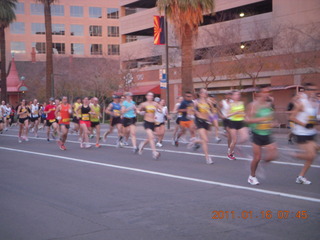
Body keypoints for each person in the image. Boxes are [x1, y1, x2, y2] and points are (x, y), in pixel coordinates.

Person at [246, 86, 278, 185]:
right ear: (259, 93)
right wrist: (260, 120)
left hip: (267, 133)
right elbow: (247, 120)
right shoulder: (253, 105)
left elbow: (271, 119)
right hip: (257, 133)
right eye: (265, 92)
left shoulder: (269, 105)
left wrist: (273, 123)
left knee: (273, 155)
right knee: (257, 158)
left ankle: (260, 165)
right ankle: (252, 176)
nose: (267, 94)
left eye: (269, 92)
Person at [289, 83, 319, 185]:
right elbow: (292, 117)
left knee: (312, 156)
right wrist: (304, 124)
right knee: (311, 155)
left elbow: (315, 118)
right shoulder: (302, 103)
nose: (313, 92)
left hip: (312, 133)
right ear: (306, 91)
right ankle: (295, 155)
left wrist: (315, 125)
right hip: (301, 133)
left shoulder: (315, 103)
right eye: (310, 89)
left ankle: (301, 177)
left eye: (314, 89)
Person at [193, 89, 215, 164]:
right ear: (200, 94)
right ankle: (207, 157)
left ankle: (195, 141)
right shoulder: (196, 102)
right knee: (206, 140)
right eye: (204, 92)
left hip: (207, 122)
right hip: (199, 121)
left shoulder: (209, 102)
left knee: (205, 141)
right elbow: (191, 111)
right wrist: (196, 112)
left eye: (206, 92)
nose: (206, 93)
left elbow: (213, 111)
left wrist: (213, 119)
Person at [137, 92, 161, 159]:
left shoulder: (155, 104)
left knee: (150, 137)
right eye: (149, 95)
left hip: (153, 122)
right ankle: (154, 152)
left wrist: (160, 111)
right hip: (147, 122)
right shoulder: (144, 104)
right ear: (146, 96)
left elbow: (161, 109)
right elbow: (137, 110)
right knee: (151, 137)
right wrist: (140, 112)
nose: (151, 97)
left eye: (152, 96)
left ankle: (142, 145)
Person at [226, 91, 249, 160]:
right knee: (234, 141)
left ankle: (237, 146)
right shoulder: (230, 104)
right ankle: (230, 153)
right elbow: (227, 115)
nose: (238, 96)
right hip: (233, 123)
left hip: (241, 122)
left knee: (245, 137)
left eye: (238, 94)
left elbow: (243, 112)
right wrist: (235, 113)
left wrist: (246, 117)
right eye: (236, 95)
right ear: (232, 96)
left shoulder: (241, 103)